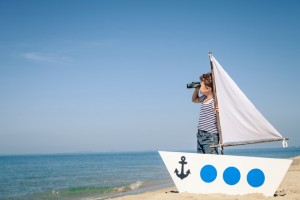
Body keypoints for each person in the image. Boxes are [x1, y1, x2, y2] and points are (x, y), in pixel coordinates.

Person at [192, 72, 219, 154]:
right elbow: (194, 100)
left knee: (211, 159)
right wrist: (196, 89)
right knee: (201, 159)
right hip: (200, 134)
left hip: (210, 136)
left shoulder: (215, 101)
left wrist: (219, 110)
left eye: (201, 85)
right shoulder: (204, 98)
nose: (199, 86)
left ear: (207, 88)